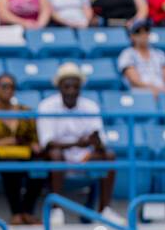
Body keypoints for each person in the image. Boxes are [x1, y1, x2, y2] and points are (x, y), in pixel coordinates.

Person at [37, 63, 117, 221]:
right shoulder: (46, 106)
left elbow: (100, 140)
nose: (71, 91)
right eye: (67, 86)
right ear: (59, 86)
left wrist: (97, 141)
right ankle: (56, 210)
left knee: (109, 156)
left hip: (84, 155)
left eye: (75, 86)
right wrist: (77, 144)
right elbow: (47, 143)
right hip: (59, 156)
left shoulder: (90, 106)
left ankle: (104, 210)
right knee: (55, 155)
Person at [0, 73, 44, 225]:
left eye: (12, 86)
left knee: (41, 165)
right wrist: (8, 141)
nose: (8, 90)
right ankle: (17, 213)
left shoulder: (25, 111)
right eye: (4, 86)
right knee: (11, 166)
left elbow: (33, 138)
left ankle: (27, 211)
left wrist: (33, 144)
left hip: (23, 153)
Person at [118, 19, 165, 94]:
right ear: (131, 36)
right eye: (138, 32)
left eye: (146, 30)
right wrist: (153, 89)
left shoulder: (160, 54)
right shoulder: (127, 54)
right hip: (140, 94)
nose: (143, 35)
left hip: (162, 92)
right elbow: (134, 80)